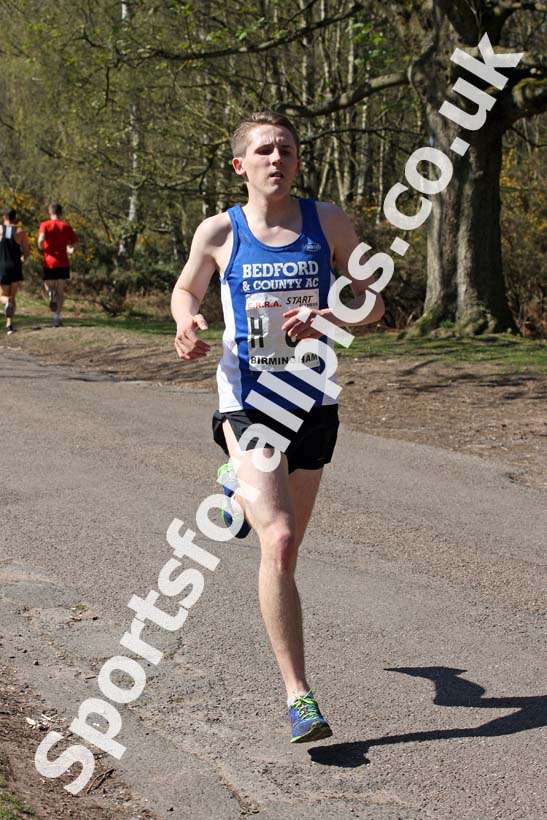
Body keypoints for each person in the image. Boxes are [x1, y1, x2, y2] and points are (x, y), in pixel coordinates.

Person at [171, 111, 384, 743]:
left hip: (312, 403)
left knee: (285, 552)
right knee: (282, 540)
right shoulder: (219, 231)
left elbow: (375, 302)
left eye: (286, 150)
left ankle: (236, 489)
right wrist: (185, 322)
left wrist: (332, 312)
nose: (277, 159)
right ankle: (299, 696)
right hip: (249, 399)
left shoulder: (332, 222)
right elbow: (186, 291)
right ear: (240, 165)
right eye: (264, 151)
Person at [38, 203, 78, 327]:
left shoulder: (45, 224)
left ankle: (50, 292)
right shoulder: (66, 226)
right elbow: (76, 245)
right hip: (63, 261)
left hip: (49, 260)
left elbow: (41, 239)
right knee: (60, 291)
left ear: (50, 212)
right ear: (61, 213)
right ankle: (56, 318)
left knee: (47, 283)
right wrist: (70, 250)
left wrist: (41, 248)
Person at [0, 207, 30, 335]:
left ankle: (6, 303)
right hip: (15, 266)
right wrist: (22, 259)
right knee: (13, 295)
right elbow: (27, 251)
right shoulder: (20, 231)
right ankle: (9, 324)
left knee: (3, 296)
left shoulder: (0, 229)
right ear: (14, 217)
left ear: (3, 217)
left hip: (2, 266)